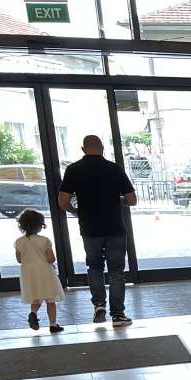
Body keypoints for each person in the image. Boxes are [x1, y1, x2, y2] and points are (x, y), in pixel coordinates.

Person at [58, 134, 136, 328]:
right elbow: (132, 200)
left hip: (89, 228)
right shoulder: (114, 169)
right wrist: (119, 201)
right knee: (116, 271)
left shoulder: (73, 170)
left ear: (83, 149)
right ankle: (118, 315)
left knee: (94, 267)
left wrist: (77, 211)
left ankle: (99, 304)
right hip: (115, 227)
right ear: (102, 148)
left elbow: (64, 202)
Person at [14, 209, 65, 334]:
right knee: (50, 298)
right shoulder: (44, 240)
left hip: (28, 272)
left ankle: (33, 313)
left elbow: (19, 259)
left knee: (35, 298)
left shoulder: (19, 242)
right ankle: (53, 324)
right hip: (44, 271)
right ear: (40, 225)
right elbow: (51, 258)